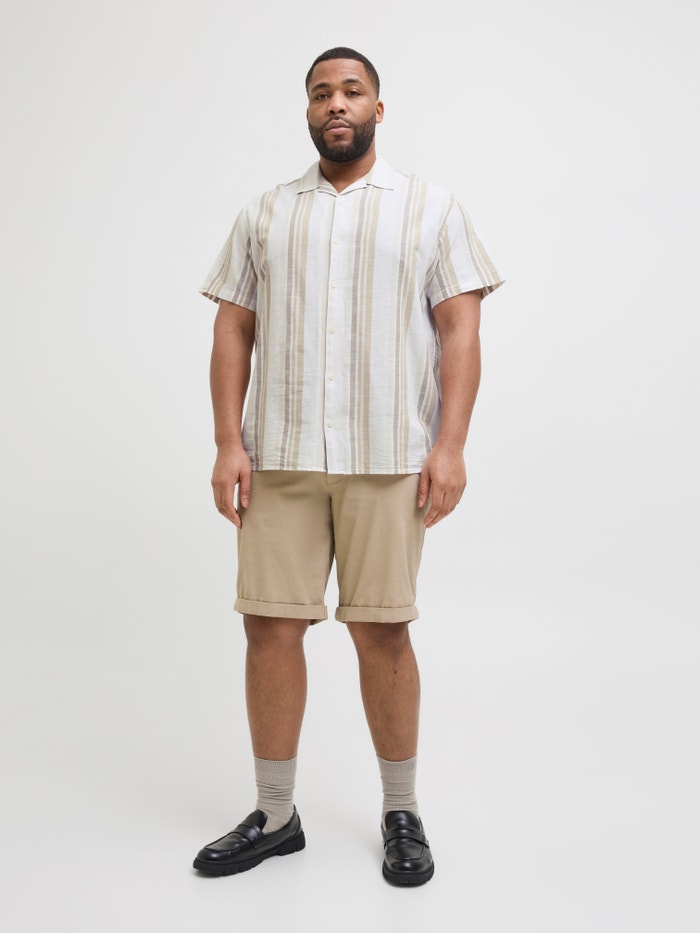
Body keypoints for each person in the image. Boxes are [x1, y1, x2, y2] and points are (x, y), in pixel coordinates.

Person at [192, 46, 504, 886]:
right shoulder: (265, 213)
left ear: (377, 108)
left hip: (388, 457)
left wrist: (450, 445)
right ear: (307, 111)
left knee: (383, 630)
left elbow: (460, 328)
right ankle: (275, 813)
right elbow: (232, 328)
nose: (337, 103)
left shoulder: (431, 208)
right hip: (280, 456)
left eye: (352, 91)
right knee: (269, 627)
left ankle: (402, 809)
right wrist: (227, 442)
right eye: (322, 92)